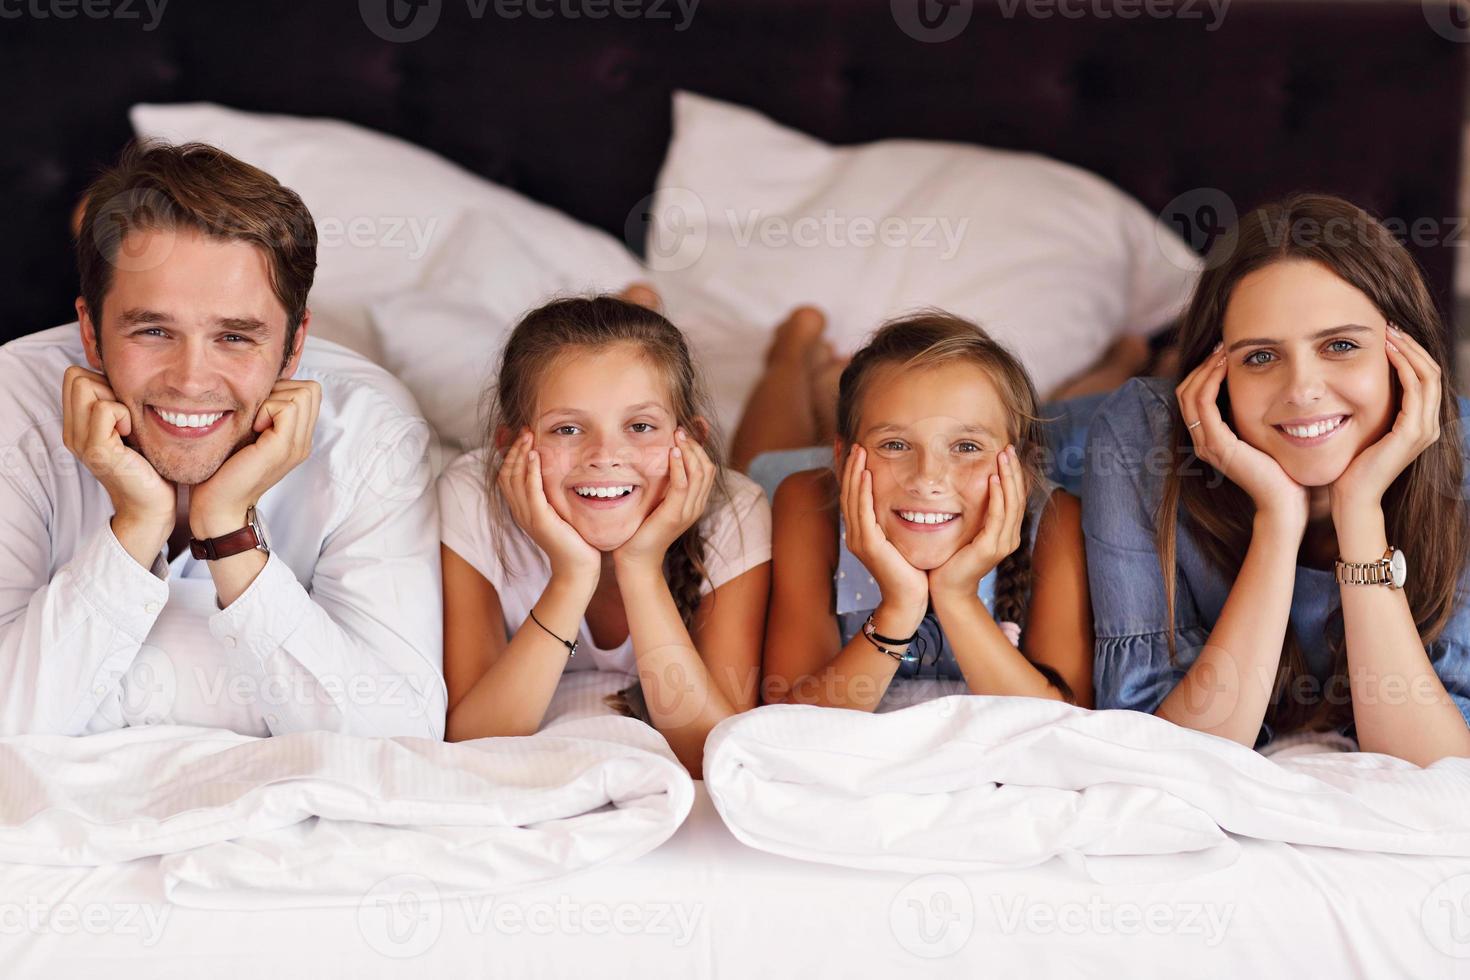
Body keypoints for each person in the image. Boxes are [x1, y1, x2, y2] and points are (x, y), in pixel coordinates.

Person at [0, 140, 446, 737]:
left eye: (235, 337)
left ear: (294, 345)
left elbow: (399, 735)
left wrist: (230, 533)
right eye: (154, 330)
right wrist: (137, 526)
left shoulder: (371, 430)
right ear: (88, 330)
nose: (190, 381)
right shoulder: (13, 407)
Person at [1085, 193, 1470, 765]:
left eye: (1340, 346)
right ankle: (1120, 362)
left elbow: (1437, 763)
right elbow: (1165, 753)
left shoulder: (1461, 465)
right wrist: (1277, 521)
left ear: (1405, 356)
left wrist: (1360, 512)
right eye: (1260, 357)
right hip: (1051, 434)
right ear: (1215, 376)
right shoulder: (1136, 442)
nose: (1301, 389)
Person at [438, 295, 771, 776]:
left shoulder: (736, 510)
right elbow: (476, 741)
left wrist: (640, 564)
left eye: (640, 425)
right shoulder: (472, 497)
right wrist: (572, 575)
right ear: (511, 446)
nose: (604, 455)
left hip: (756, 474)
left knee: (767, 455)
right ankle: (637, 302)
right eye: (568, 429)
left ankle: (791, 353)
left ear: (692, 441)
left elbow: (710, 752)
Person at [761, 312, 1093, 711]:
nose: (927, 478)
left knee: (1079, 405)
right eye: (895, 444)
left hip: (910, 505)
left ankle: (1118, 363)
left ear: (1020, 467)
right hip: (817, 481)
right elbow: (788, 722)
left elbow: (1064, 721)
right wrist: (900, 606)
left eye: (967, 446)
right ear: (844, 455)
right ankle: (792, 350)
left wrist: (957, 595)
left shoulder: (1056, 522)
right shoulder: (806, 506)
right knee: (769, 453)